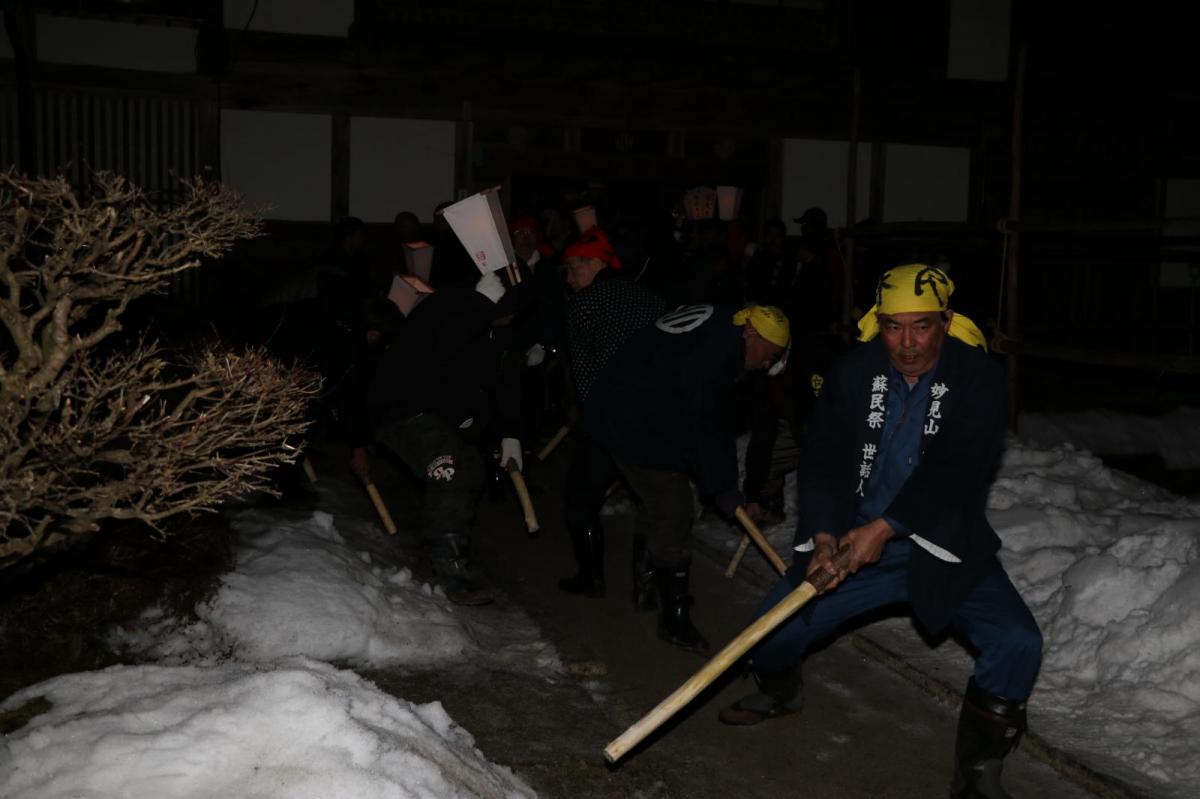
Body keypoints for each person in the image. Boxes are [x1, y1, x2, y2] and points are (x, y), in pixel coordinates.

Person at [719, 264, 1041, 799]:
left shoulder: (978, 377)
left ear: (947, 320)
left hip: (941, 540)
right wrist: (825, 534)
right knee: (772, 631)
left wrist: (888, 526)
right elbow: (822, 456)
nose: (907, 343)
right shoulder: (856, 371)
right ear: (879, 324)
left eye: (922, 326)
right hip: (854, 542)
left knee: (1017, 642)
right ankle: (780, 690)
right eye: (894, 327)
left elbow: (961, 465)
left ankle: (978, 774)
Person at [586, 304, 790, 652]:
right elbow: (708, 426)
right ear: (751, 333)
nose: (766, 364)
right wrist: (724, 488)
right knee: (675, 510)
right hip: (631, 421)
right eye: (769, 355)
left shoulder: (723, 328)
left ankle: (648, 587)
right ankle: (674, 616)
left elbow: (703, 417)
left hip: (636, 407)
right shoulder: (715, 355)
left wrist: (717, 480)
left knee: (659, 501)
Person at [367, 270, 531, 606]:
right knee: (451, 474)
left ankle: (455, 552)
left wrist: (510, 435)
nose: (510, 318)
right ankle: (451, 574)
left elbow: (505, 381)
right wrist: (479, 307)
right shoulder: (450, 307)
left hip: (440, 416)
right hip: (402, 410)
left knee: (471, 472)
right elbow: (440, 350)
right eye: (506, 309)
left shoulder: (501, 329)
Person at [557, 227, 665, 600]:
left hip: (608, 419)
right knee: (653, 501)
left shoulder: (583, 306)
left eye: (573, 270)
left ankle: (592, 579)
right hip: (654, 416)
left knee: (580, 498)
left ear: (595, 263)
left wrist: (589, 416)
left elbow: (586, 376)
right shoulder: (651, 299)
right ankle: (646, 589)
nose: (569, 280)